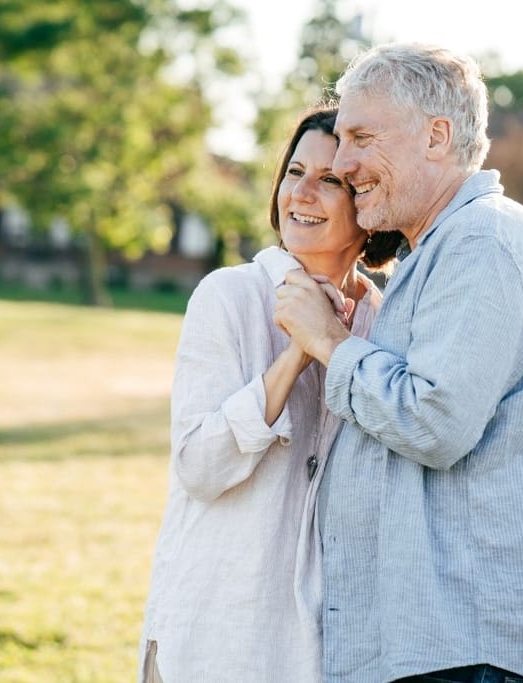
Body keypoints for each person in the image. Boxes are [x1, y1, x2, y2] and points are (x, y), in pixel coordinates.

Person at [273, 43, 523, 683]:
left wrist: (328, 344)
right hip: (446, 648)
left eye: (362, 137)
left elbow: (433, 422)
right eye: (342, 140)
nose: (343, 162)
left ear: (437, 137)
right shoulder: (442, 251)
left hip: (470, 653)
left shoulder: (486, 242)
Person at [138, 105, 402, 682]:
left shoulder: (388, 323)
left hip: (320, 653)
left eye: (330, 179)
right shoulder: (227, 297)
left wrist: (335, 339)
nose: (301, 194)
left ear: (368, 202)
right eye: (294, 172)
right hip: (211, 638)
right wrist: (297, 353)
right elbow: (199, 468)